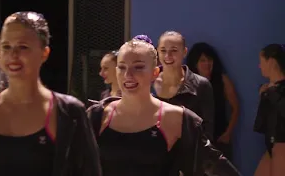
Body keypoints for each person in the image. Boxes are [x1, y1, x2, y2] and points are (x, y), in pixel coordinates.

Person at [0, 11, 101, 176]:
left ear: (44, 53)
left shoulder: (69, 112)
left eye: (23, 47)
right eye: (6, 46)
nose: (13, 55)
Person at [88, 39, 241, 176]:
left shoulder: (178, 119)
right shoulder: (97, 116)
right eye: (122, 67)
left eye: (138, 67)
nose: (128, 74)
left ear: (155, 73)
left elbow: (213, 165)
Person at [153, 31, 215, 139]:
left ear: (184, 52)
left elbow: (207, 130)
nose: (168, 55)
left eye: (174, 50)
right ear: (157, 51)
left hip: (187, 153)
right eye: (163, 50)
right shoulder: (148, 83)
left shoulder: (201, 84)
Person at [186, 42, 240, 159]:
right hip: (197, 140)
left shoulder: (222, 80)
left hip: (219, 138)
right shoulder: (188, 83)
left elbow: (235, 107)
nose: (207, 63)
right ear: (195, 63)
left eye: (209, 59)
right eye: (202, 60)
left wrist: (228, 133)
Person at [254, 44, 285, 176]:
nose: (259, 66)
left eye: (261, 62)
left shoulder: (280, 91)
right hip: (271, 146)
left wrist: (272, 93)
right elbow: (260, 125)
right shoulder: (268, 91)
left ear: (271, 61)